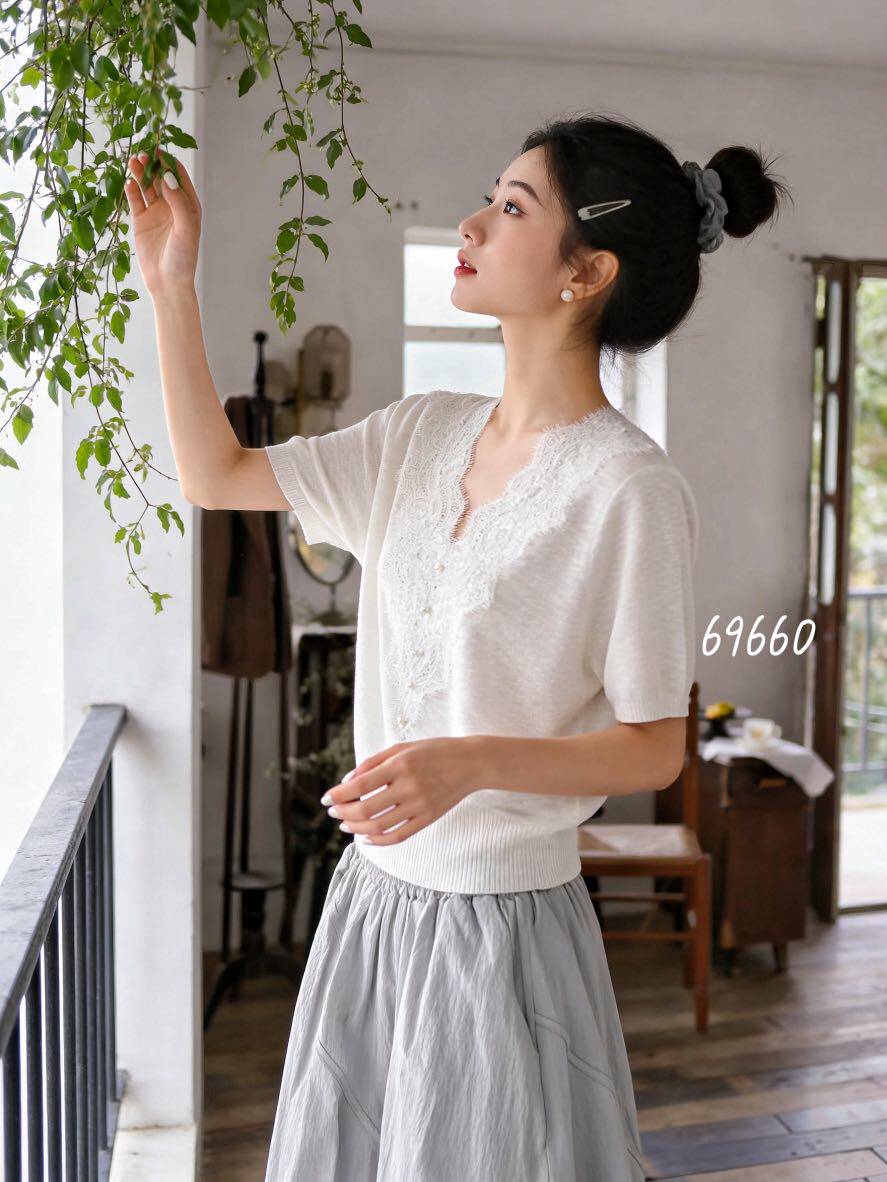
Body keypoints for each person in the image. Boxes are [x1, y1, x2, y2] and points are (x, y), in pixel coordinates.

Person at [125, 110, 789, 1181]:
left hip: (504, 932)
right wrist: (171, 288)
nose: (471, 224)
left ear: (586, 272)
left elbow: (651, 745)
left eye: (511, 207)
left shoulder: (631, 489)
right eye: (488, 197)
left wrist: (467, 762)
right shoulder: (418, 432)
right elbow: (216, 477)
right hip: (372, 907)